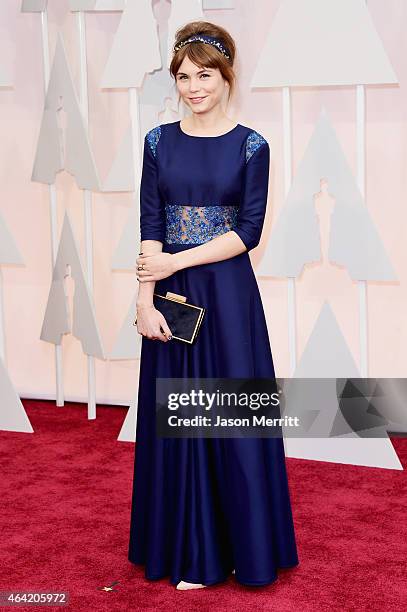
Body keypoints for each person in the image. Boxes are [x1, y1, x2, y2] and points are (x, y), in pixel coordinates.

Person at [128, 20, 299, 590]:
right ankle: (190, 549)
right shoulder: (157, 143)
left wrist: (175, 263)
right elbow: (151, 224)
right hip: (172, 300)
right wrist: (144, 300)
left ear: (228, 77)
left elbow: (248, 231)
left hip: (226, 299)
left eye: (205, 75)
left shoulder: (253, 145)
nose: (193, 86)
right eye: (183, 76)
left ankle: (239, 548)